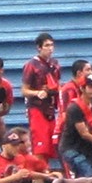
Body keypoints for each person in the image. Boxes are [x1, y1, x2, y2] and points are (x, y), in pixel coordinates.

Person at [22, 32, 61, 163]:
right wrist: (37, 93)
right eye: (46, 45)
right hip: (37, 108)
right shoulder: (31, 65)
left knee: (50, 146)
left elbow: (57, 85)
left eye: (52, 45)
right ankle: (37, 181)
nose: (50, 48)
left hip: (51, 108)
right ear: (39, 47)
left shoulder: (55, 64)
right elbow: (24, 90)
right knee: (40, 146)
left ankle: (43, 176)